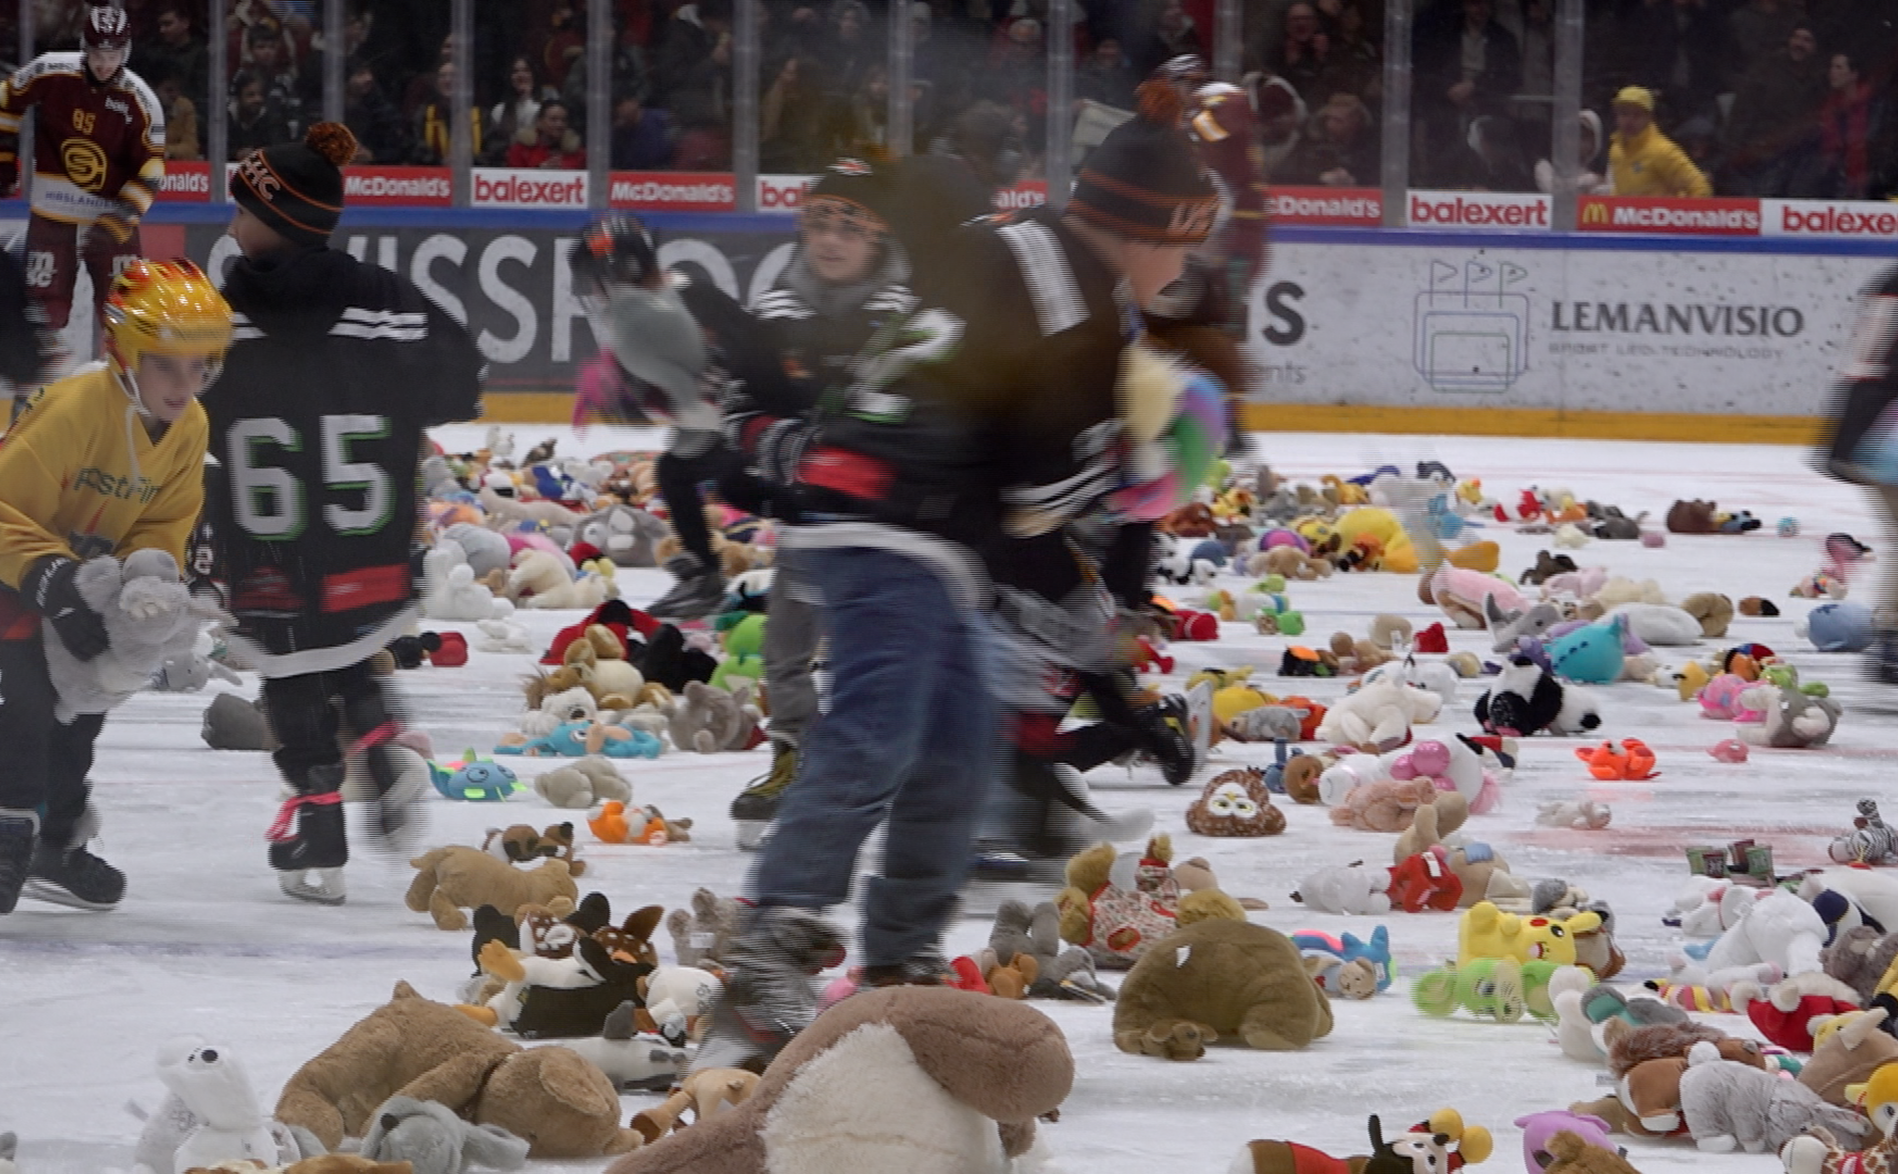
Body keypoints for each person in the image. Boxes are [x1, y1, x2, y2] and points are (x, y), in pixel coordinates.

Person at [692, 78, 1220, 1072]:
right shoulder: (1084, 304)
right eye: (1180, 242)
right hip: (900, 519)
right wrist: (1127, 464)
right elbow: (1033, 492)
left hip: (880, 506)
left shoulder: (1010, 242)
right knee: (878, 734)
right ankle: (773, 937)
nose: (1183, 264)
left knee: (956, 742)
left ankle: (898, 954)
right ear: (1142, 230)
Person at [207, 123, 484, 905]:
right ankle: (382, 743)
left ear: (279, 217)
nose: (231, 225)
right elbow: (461, 384)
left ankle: (317, 822)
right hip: (369, 543)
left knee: (289, 670)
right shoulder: (387, 300)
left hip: (268, 545)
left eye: (242, 210)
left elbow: (184, 404)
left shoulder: (224, 312)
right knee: (347, 648)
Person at [0, 259, 234, 914]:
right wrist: (48, 574)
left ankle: (58, 842)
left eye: (201, 366)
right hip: (13, 572)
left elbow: (166, 520)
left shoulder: (189, 427)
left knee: (85, 709)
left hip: (90, 580)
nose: (185, 385)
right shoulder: (75, 409)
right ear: (124, 353)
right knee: (25, 702)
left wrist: (146, 583)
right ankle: (10, 826)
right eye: (166, 364)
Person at [722, 160, 918, 846]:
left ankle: (880, 767)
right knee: (787, 648)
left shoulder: (908, 314)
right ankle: (792, 755)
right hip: (806, 520)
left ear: (879, 236)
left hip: (890, 528)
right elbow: (736, 406)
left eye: (850, 224)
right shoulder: (775, 313)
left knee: (878, 653)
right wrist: (773, 442)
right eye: (818, 221)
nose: (831, 238)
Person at [568, 216, 782, 621]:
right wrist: (627, 398)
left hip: (754, 419)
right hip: (723, 422)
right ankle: (706, 571)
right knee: (680, 473)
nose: (596, 293)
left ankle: (800, 534)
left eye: (597, 281)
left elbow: (751, 351)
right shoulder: (652, 311)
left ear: (621, 272)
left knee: (722, 479)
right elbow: (666, 395)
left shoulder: (689, 300)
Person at [0, 5, 164, 375]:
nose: (104, 64)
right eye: (97, 54)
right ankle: (41, 398)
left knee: (127, 315)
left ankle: (125, 400)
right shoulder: (51, 70)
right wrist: (4, 156)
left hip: (110, 224)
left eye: (113, 55)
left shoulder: (141, 100)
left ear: (127, 52)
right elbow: (6, 99)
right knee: (43, 315)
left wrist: (122, 219)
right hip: (52, 217)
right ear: (83, 48)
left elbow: (152, 170)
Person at [1821, 268, 1898, 684]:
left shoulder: (1889, 279)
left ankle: (1891, 639)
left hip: (1866, 426)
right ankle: (1891, 641)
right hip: (1887, 429)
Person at [1721, 24, 1827, 197]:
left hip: (1800, 160)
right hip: (1763, 153)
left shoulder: (1819, 78)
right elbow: (1742, 113)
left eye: (1806, 40)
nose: (1799, 44)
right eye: (1796, 38)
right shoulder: (1766, 70)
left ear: (1814, 47)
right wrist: (1735, 151)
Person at [1607, 85, 1711, 197]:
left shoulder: (1662, 150)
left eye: (1637, 115)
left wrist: (1679, 213)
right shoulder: (1616, 149)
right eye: (1624, 114)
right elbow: (1620, 189)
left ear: (1649, 117)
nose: (1629, 121)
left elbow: (1700, 186)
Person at [1817, 51, 1879, 200]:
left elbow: (1876, 142)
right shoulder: (1829, 108)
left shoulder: (1873, 104)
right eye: (1831, 67)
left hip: (1871, 180)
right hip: (1838, 181)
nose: (1832, 72)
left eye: (1839, 67)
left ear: (1853, 74)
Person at [343, 56, 407, 163]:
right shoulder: (323, 111)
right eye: (360, 74)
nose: (369, 78)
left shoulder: (384, 112)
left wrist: (373, 156)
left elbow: (398, 149)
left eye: (369, 73)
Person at [505, 99, 585, 169]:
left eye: (563, 120)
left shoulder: (577, 153)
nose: (559, 124)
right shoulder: (520, 150)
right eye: (553, 119)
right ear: (539, 122)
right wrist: (540, 172)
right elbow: (513, 180)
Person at [229, 71, 290, 158]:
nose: (258, 99)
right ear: (238, 98)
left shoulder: (274, 119)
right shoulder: (225, 119)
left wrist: (258, 153)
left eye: (261, 94)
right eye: (250, 95)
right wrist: (236, 154)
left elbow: (281, 150)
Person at [610, 92, 675, 170]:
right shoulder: (617, 133)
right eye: (614, 106)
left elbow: (678, 145)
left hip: (666, 172)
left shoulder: (661, 118)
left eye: (619, 104)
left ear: (634, 102)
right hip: (632, 175)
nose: (618, 109)